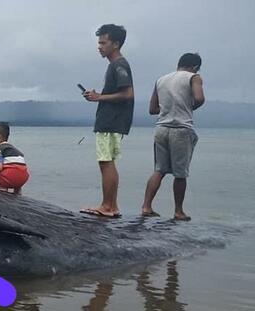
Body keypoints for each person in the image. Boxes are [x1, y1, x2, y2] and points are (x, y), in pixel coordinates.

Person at [140, 53, 205, 221]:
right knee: (180, 173)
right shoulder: (194, 77)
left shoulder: (161, 80)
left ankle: (146, 207)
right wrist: (188, 107)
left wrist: (167, 109)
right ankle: (178, 211)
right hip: (181, 129)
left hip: (161, 128)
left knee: (159, 170)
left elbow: (152, 109)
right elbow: (199, 98)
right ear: (195, 67)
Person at [81, 24, 134, 218]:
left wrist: (99, 98)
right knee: (108, 161)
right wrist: (98, 96)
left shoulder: (119, 64)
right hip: (113, 120)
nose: (99, 46)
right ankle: (112, 205)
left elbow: (127, 93)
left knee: (105, 162)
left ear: (116, 44)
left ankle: (107, 206)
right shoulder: (115, 65)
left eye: (103, 42)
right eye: (99, 42)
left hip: (111, 120)